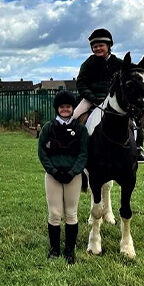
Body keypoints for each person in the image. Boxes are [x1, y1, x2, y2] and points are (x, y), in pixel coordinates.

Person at [73, 28, 144, 162]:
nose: (97, 48)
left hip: (114, 99)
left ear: (109, 46)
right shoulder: (88, 64)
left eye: (101, 45)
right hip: (92, 99)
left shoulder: (118, 63)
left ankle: (138, 148)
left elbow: (130, 73)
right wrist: (93, 98)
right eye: (95, 46)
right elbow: (81, 84)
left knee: (134, 120)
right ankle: (73, 148)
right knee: (73, 118)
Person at [38, 90, 88, 264]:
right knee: (54, 213)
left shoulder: (80, 129)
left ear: (72, 108)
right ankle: (54, 249)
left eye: (68, 107)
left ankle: (69, 250)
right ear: (57, 109)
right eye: (62, 107)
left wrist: (73, 171)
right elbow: (42, 152)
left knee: (71, 213)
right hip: (53, 176)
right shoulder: (48, 127)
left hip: (72, 177)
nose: (65, 109)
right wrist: (53, 171)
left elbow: (83, 153)